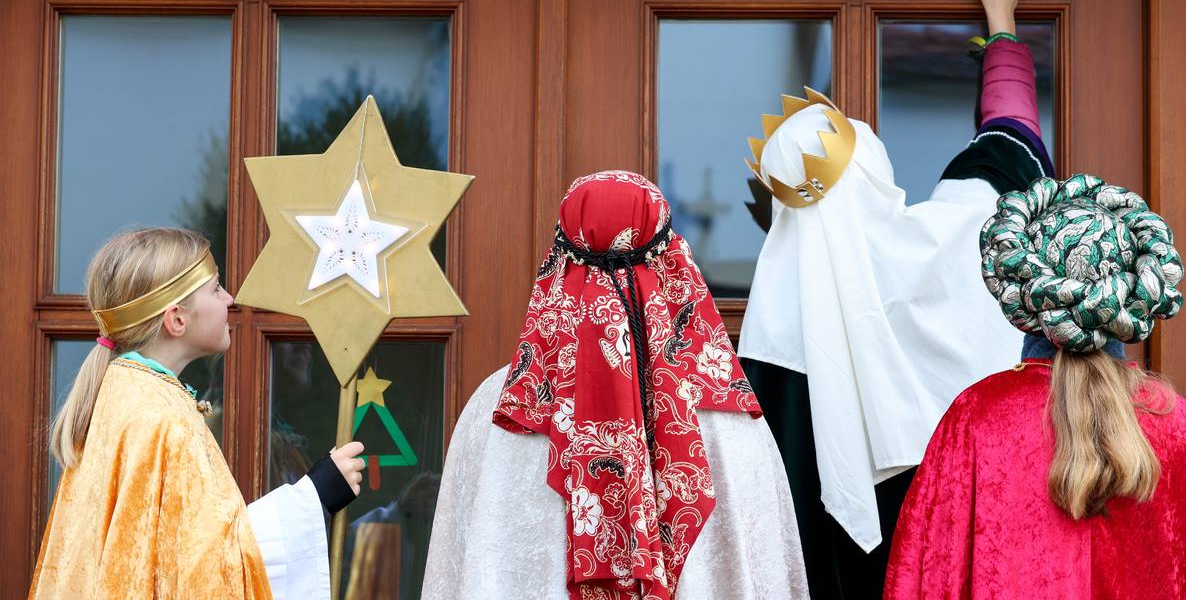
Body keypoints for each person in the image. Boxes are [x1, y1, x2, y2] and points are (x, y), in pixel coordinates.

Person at [736, 0, 1043, 596]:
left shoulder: (763, 352)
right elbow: (1010, 146)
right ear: (874, 169)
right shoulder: (961, 250)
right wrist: (1002, 22)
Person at [422, 171, 808, 599]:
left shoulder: (499, 406)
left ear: (558, 262)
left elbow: (458, 569)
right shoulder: (728, 415)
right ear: (673, 260)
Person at [885, 172, 1186, 598]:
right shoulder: (1183, 428)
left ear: (1024, 290)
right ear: (1133, 288)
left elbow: (925, 581)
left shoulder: (976, 420)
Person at [30, 227, 367, 599]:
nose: (230, 298)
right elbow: (206, 569)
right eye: (216, 288)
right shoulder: (162, 418)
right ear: (177, 320)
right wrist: (316, 495)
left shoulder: (127, 393)